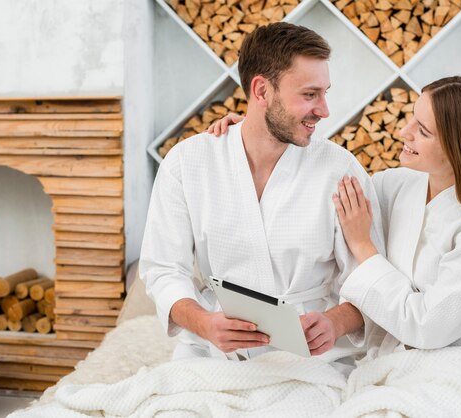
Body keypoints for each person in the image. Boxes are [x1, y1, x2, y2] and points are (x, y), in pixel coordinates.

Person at [209, 76, 461, 369]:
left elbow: (426, 327)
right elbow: (323, 187)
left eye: (422, 131)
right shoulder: (396, 185)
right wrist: (258, 135)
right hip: (394, 360)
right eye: (412, 119)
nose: (402, 131)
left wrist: (364, 248)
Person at [139, 22, 384, 369]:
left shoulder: (341, 171)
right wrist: (204, 324)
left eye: (325, 92)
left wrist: (335, 323)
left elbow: (370, 278)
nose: (325, 110)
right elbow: (163, 269)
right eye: (310, 94)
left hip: (314, 358)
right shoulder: (187, 162)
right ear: (261, 90)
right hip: (213, 351)